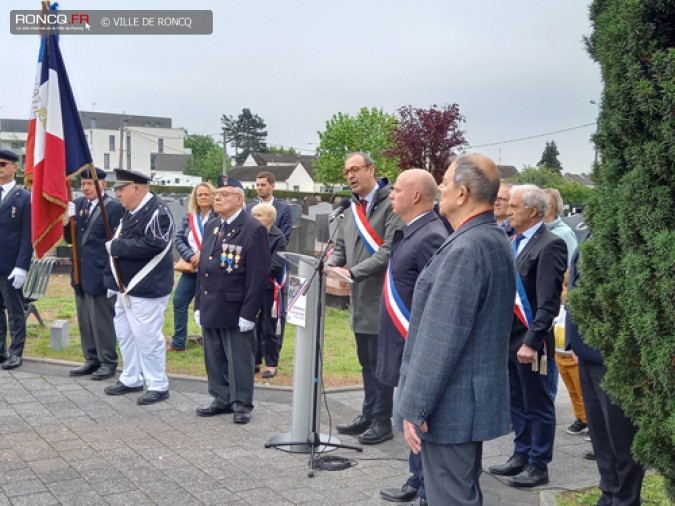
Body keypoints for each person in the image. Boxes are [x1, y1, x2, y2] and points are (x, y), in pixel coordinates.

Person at [395, 154, 515, 505]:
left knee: (450, 496)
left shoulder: (468, 247)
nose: (441, 188)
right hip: (462, 400)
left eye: (445, 182)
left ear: (462, 193)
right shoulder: (486, 237)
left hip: (451, 404)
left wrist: (413, 409)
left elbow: (440, 339)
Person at [488, 184, 567, 488]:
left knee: (538, 404)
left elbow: (548, 303)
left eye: (514, 207)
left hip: (531, 344)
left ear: (533, 211)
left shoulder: (550, 244)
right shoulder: (513, 240)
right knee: (517, 401)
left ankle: (538, 464)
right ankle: (520, 454)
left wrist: (531, 343)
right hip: (509, 340)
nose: (508, 212)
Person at [377, 169, 448, 505]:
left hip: (414, 342)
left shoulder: (431, 234)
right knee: (408, 414)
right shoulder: (410, 231)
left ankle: (425, 488)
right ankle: (416, 478)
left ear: (417, 196)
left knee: (419, 415)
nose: (391, 194)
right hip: (401, 338)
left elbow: (432, 298)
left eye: (398, 190)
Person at [325, 151, 404, 444]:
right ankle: (368, 413)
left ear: (371, 170)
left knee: (381, 363)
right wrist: (330, 266)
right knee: (366, 362)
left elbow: (388, 250)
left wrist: (352, 273)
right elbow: (341, 248)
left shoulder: (391, 204)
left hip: (384, 298)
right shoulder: (351, 209)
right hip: (359, 298)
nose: (350, 176)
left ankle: (383, 421)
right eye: (346, 171)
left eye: (355, 169)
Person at [567, 240, 645, 505]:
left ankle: (625, 499)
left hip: (612, 356)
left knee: (621, 438)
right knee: (600, 436)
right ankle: (609, 495)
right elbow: (577, 291)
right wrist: (572, 341)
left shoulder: (620, 232)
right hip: (586, 352)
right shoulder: (591, 231)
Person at [194, 178, 270, 424]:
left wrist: (249, 313)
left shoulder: (252, 228)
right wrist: (197, 304)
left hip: (235, 305)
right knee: (214, 356)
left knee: (238, 358)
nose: (217, 197)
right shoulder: (212, 226)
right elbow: (203, 267)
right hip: (211, 302)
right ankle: (220, 397)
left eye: (224, 194)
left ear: (239, 199)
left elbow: (257, 275)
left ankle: (241, 403)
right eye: (217, 193)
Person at [103, 169, 174, 405]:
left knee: (147, 337)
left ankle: (157, 383)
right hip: (126, 288)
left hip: (147, 286)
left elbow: (153, 244)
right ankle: (131, 376)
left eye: (121, 189)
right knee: (125, 334)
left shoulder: (158, 211)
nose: (118, 193)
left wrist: (118, 247)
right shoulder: (131, 212)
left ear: (137, 188)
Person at [64, 167, 124, 380]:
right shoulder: (79, 204)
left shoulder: (114, 208)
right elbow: (70, 240)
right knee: (85, 319)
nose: (86, 187)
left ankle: (108, 361)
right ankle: (91, 359)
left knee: (102, 320)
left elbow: (115, 242)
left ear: (103, 184)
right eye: (84, 184)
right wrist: (66, 220)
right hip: (80, 271)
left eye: (91, 184)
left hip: (100, 272)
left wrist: (112, 276)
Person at [543, 187, 586, 435]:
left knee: (568, 362)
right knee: (561, 360)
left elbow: (571, 269)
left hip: (562, 302)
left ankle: (584, 415)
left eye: (546, 204)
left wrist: (564, 293)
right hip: (555, 305)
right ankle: (581, 414)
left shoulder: (564, 234)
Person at [168, 182, 215, 352]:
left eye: (206, 194)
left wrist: (203, 256)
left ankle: (210, 344)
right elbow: (179, 239)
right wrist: (190, 256)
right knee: (179, 300)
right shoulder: (189, 217)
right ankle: (178, 342)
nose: (202, 197)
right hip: (191, 268)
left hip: (210, 270)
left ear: (212, 196)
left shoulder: (218, 217)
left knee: (207, 306)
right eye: (199, 195)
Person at [0, 149, 32, 371]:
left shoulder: (24, 197)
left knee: (15, 310)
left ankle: (16, 352)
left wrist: (21, 265)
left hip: (10, 265)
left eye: (3, 164)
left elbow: (27, 236)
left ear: (15, 167)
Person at [250, 203, 287, 379]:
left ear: (270, 218)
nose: (255, 218)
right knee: (253, 326)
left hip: (269, 288)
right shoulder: (251, 233)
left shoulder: (278, 237)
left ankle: (271, 364)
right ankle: (255, 361)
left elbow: (276, 265)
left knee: (268, 327)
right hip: (252, 286)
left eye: (259, 215)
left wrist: (255, 272)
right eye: (254, 215)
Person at [246, 171, 293, 242]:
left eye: (263, 185)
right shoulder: (249, 208)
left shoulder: (283, 209)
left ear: (272, 186)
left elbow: (284, 238)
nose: (259, 188)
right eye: (257, 185)